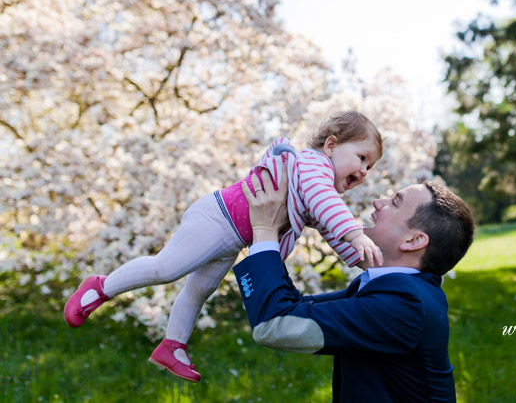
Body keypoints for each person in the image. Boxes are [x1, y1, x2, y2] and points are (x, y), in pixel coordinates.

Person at [63, 111, 385, 383]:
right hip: (218, 218)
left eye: (369, 167)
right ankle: (100, 287)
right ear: (331, 146)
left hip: (232, 237)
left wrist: (362, 259)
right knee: (166, 268)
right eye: (361, 158)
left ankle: (173, 345)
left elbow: (332, 228)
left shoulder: (318, 189)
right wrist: (357, 234)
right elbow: (327, 205)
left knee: (199, 289)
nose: (363, 172)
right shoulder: (314, 167)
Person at [235, 166, 475, 403]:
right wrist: (279, 231)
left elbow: (276, 325)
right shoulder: (397, 291)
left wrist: (264, 230)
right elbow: (296, 308)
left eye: (395, 203)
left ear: (413, 240)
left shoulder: (405, 305)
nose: (378, 203)